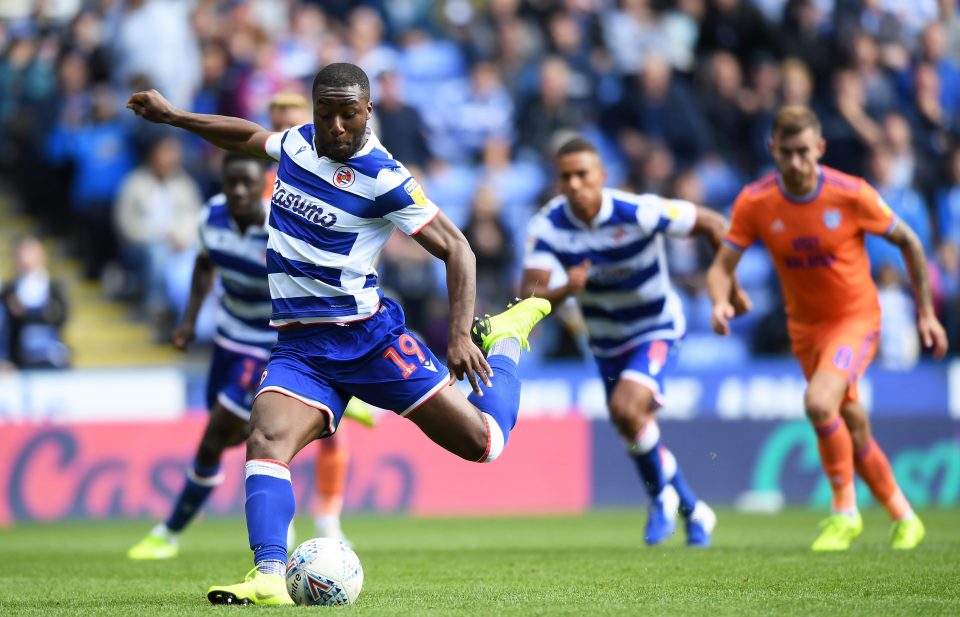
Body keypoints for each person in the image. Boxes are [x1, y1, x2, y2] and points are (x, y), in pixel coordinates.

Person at [127, 62, 551, 605]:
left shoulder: (384, 176)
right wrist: (174, 116)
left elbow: (458, 248)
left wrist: (461, 334)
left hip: (369, 340)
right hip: (302, 347)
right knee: (266, 437)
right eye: (326, 114)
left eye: (348, 114)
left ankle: (507, 338)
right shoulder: (299, 145)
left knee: (484, 444)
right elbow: (246, 134)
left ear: (367, 111)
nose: (336, 127)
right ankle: (269, 575)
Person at [707, 105, 948, 551]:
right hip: (805, 329)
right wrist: (720, 301)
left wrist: (926, 312)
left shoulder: (850, 193)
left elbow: (910, 242)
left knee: (820, 403)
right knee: (851, 424)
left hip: (855, 319)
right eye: (787, 153)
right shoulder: (756, 202)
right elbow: (721, 267)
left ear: (820, 148)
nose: (796, 163)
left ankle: (844, 513)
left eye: (804, 152)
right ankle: (903, 515)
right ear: (772, 150)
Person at [521, 137, 747, 547]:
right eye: (566, 176)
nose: (574, 184)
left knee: (628, 410)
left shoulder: (638, 211)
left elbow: (715, 224)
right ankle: (694, 509)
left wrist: (730, 287)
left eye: (583, 175)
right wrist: (565, 290)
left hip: (655, 328)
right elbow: (528, 298)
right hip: (605, 343)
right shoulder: (548, 226)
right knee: (634, 425)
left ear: (602, 177)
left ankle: (659, 497)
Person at [264, 91, 375, 543]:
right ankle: (281, 523)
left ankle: (327, 520)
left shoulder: (348, 174)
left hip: (322, 322)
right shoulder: (256, 184)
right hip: (267, 317)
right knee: (272, 428)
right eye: (286, 123)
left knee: (326, 428)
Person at [0, 236, 70, 369]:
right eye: (21, 254)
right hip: (18, 362)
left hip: (52, 361)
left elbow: (60, 317)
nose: (25, 259)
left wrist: (24, 314)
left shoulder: (54, 288)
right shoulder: (8, 292)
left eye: (30, 253)